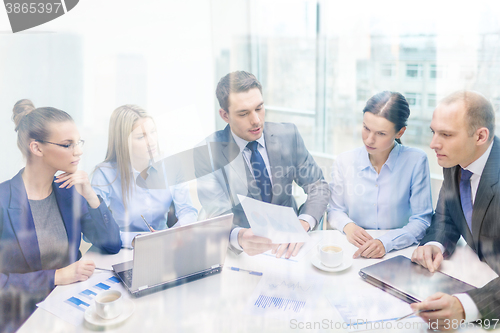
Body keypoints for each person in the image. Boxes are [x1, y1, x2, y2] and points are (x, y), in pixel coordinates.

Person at [0, 99, 121, 332]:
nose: (79, 151)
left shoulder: (68, 190)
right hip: (24, 316)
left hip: (71, 306)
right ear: (37, 148)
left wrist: (91, 195)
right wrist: (55, 276)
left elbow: (111, 244)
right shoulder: (3, 200)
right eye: (68, 145)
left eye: (78, 142)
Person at [195, 71, 329, 259]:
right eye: (243, 113)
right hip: (243, 256)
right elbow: (217, 218)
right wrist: (239, 237)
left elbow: (318, 186)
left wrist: (304, 222)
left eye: (259, 108)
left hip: (292, 249)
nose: (256, 120)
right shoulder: (206, 155)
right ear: (225, 115)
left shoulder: (288, 135)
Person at [410, 91, 500, 328]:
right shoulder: (454, 159)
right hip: (473, 274)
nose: (433, 144)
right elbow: (446, 215)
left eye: (446, 135)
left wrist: (466, 307)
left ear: (480, 136)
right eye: (434, 132)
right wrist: (435, 244)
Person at [327, 92, 433, 259]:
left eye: (381, 134)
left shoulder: (416, 161)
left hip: (399, 252)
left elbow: (422, 221)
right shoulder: (344, 161)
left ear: (400, 132)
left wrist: (387, 242)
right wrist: (348, 226)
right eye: (365, 128)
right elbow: (334, 209)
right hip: (352, 250)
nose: (369, 140)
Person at [92, 105, 197, 247]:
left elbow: (187, 210)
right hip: (123, 250)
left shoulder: (172, 165)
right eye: (141, 137)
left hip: (165, 247)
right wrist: (136, 239)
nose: (152, 141)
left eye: (153, 132)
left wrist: (175, 233)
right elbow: (95, 230)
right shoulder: (105, 174)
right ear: (123, 142)